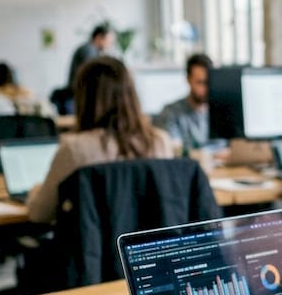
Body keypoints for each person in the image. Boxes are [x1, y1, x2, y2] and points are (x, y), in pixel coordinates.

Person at [26, 56, 176, 224]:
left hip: (96, 249)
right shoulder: (160, 141)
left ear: (83, 98)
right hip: (145, 248)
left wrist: (35, 192)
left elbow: (40, 214)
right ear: (131, 95)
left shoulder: (75, 149)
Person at [153, 53, 221, 153]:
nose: (206, 89)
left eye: (208, 82)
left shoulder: (220, 111)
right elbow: (176, 151)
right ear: (188, 80)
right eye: (200, 83)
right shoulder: (171, 113)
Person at [68, 24, 114, 89]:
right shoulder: (88, 50)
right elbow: (93, 75)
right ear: (99, 37)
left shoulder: (92, 50)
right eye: (109, 41)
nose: (110, 45)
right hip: (77, 94)